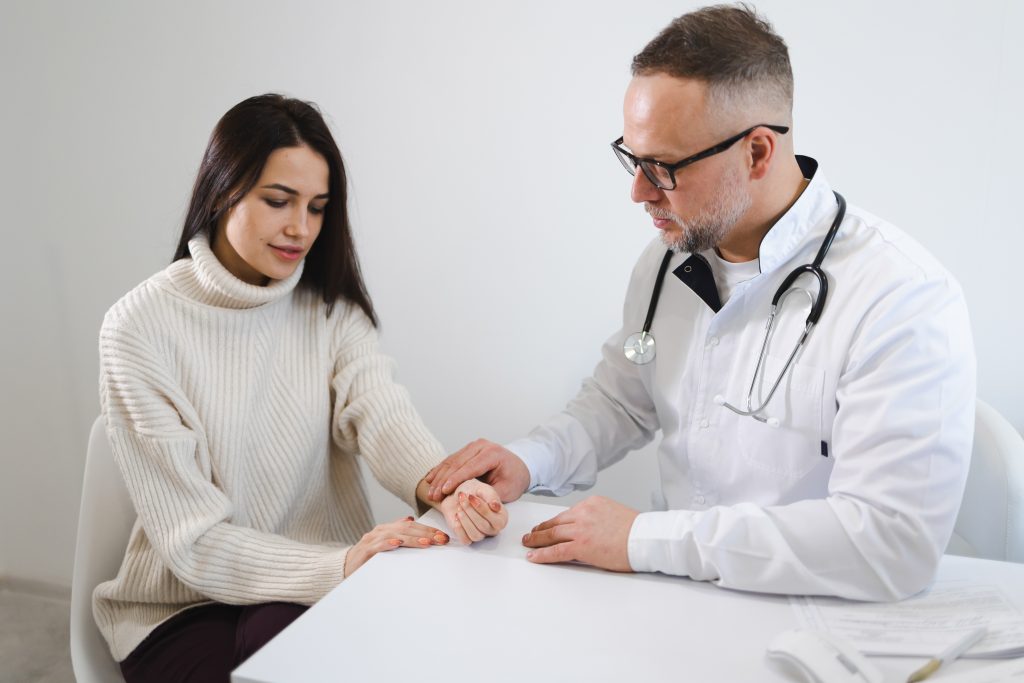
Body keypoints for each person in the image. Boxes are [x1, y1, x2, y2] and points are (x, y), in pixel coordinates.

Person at [426, 4, 975, 601]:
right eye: (632, 158)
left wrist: (643, 540)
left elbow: (890, 543)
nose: (637, 191)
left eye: (662, 167)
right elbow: (622, 401)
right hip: (681, 602)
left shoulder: (900, 296)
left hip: (825, 622)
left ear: (758, 152)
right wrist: (527, 461)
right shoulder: (669, 260)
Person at [96, 94, 507, 682]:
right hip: (182, 606)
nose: (300, 228)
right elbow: (193, 543)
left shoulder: (331, 308)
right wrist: (342, 563)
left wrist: (450, 489)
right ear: (222, 190)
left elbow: (381, 414)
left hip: (322, 583)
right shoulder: (139, 326)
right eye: (277, 201)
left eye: (317, 207)